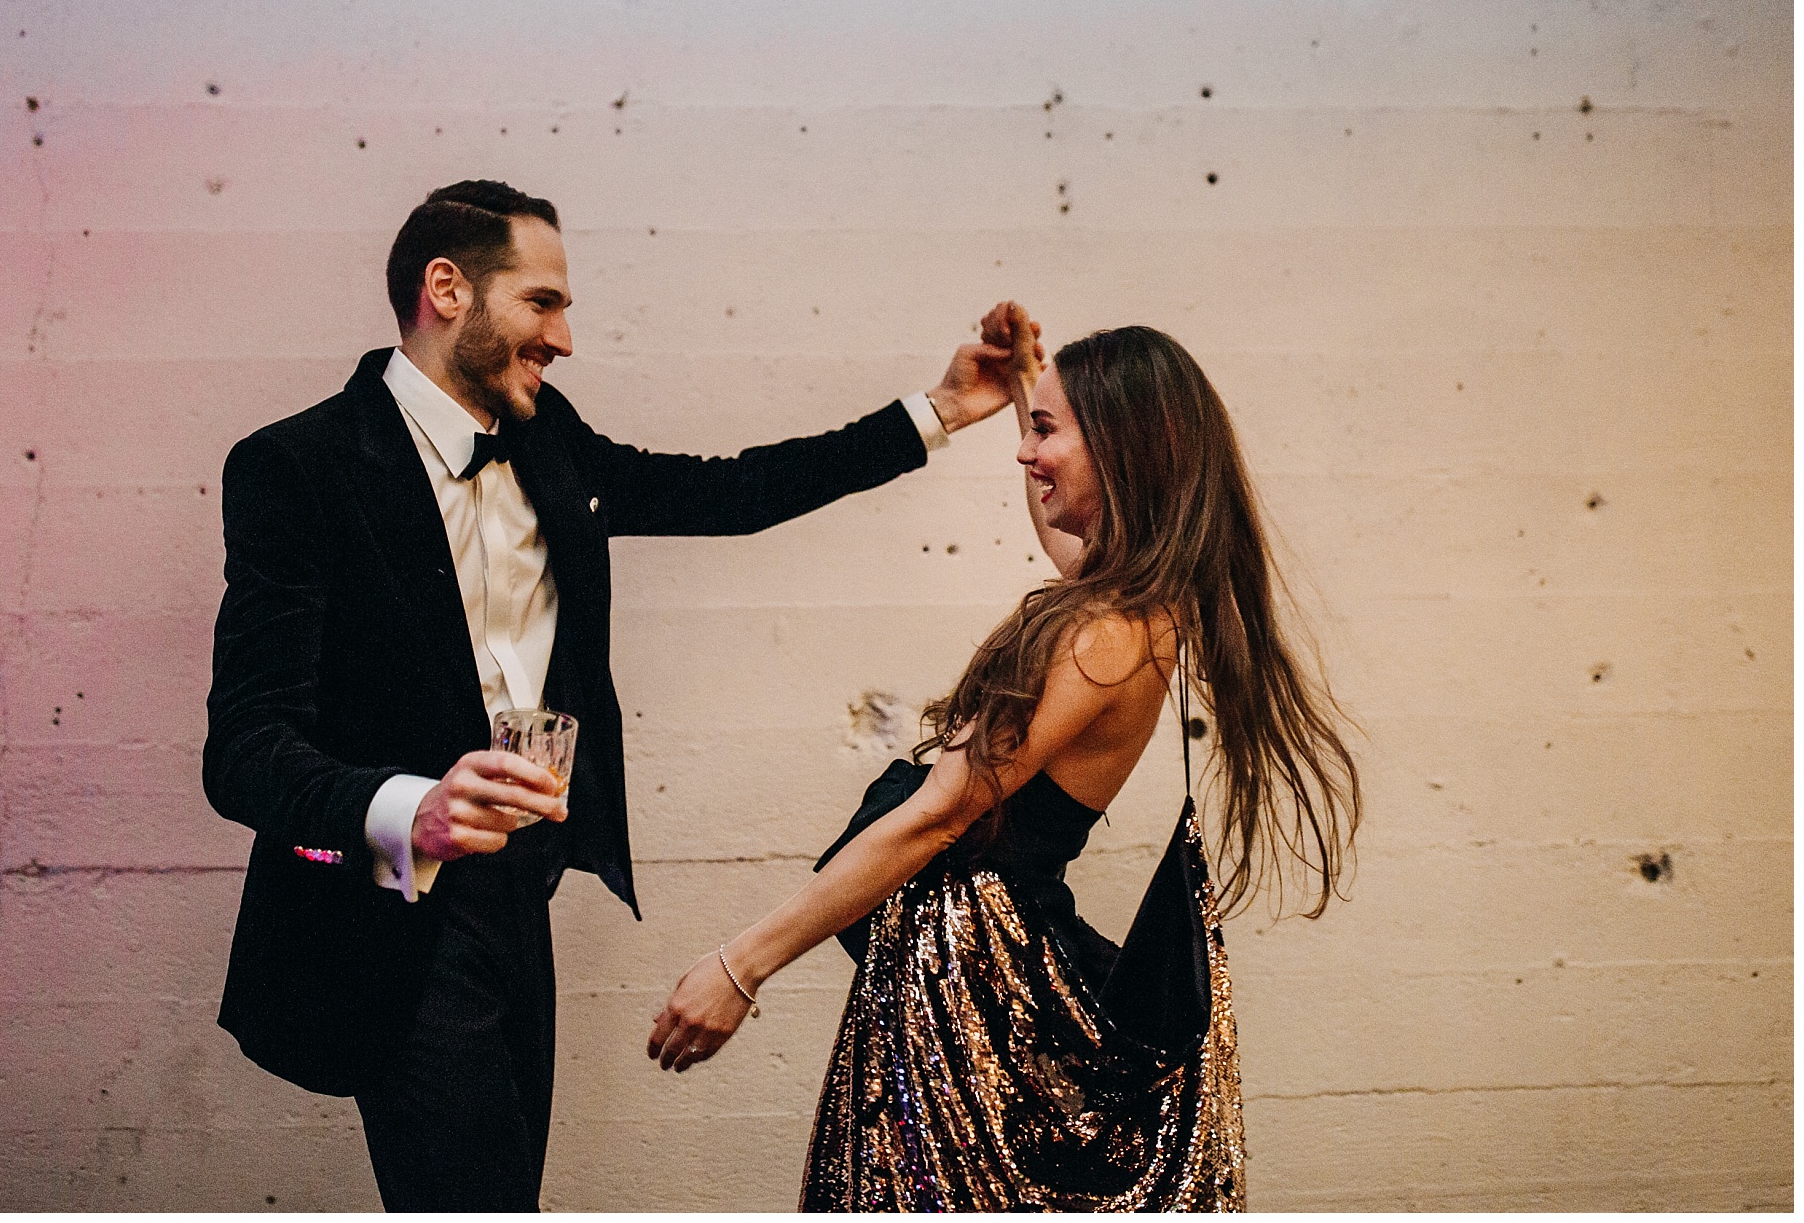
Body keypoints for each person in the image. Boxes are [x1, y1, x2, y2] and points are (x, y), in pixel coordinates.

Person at [201, 180, 1028, 1211]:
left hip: (519, 899)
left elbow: (728, 492)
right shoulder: (297, 467)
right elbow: (242, 747)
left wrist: (939, 410)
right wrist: (409, 805)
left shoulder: (546, 438)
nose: (565, 337)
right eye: (542, 303)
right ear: (446, 289)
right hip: (393, 914)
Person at [647, 309, 1362, 1210]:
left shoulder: (1101, 632)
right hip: (969, 977)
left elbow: (940, 813)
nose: (1026, 456)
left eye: (1047, 434)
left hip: (972, 992)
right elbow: (1063, 528)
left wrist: (740, 966)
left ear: (1128, 446)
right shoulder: (1134, 605)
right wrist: (1026, 384)